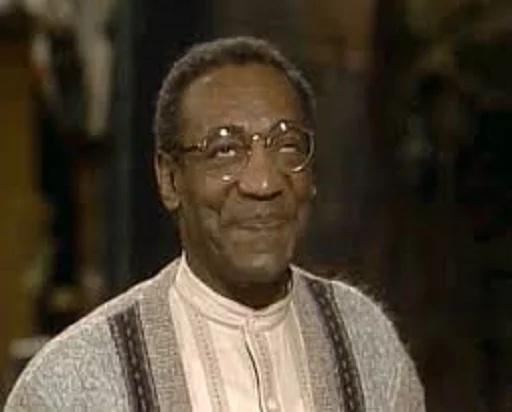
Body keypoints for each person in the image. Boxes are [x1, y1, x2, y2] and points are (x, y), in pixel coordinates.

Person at [6, 36, 425, 411]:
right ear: (170, 180)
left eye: (287, 145)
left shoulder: (363, 342)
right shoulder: (72, 386)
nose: (263, 182)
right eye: (224, 150)